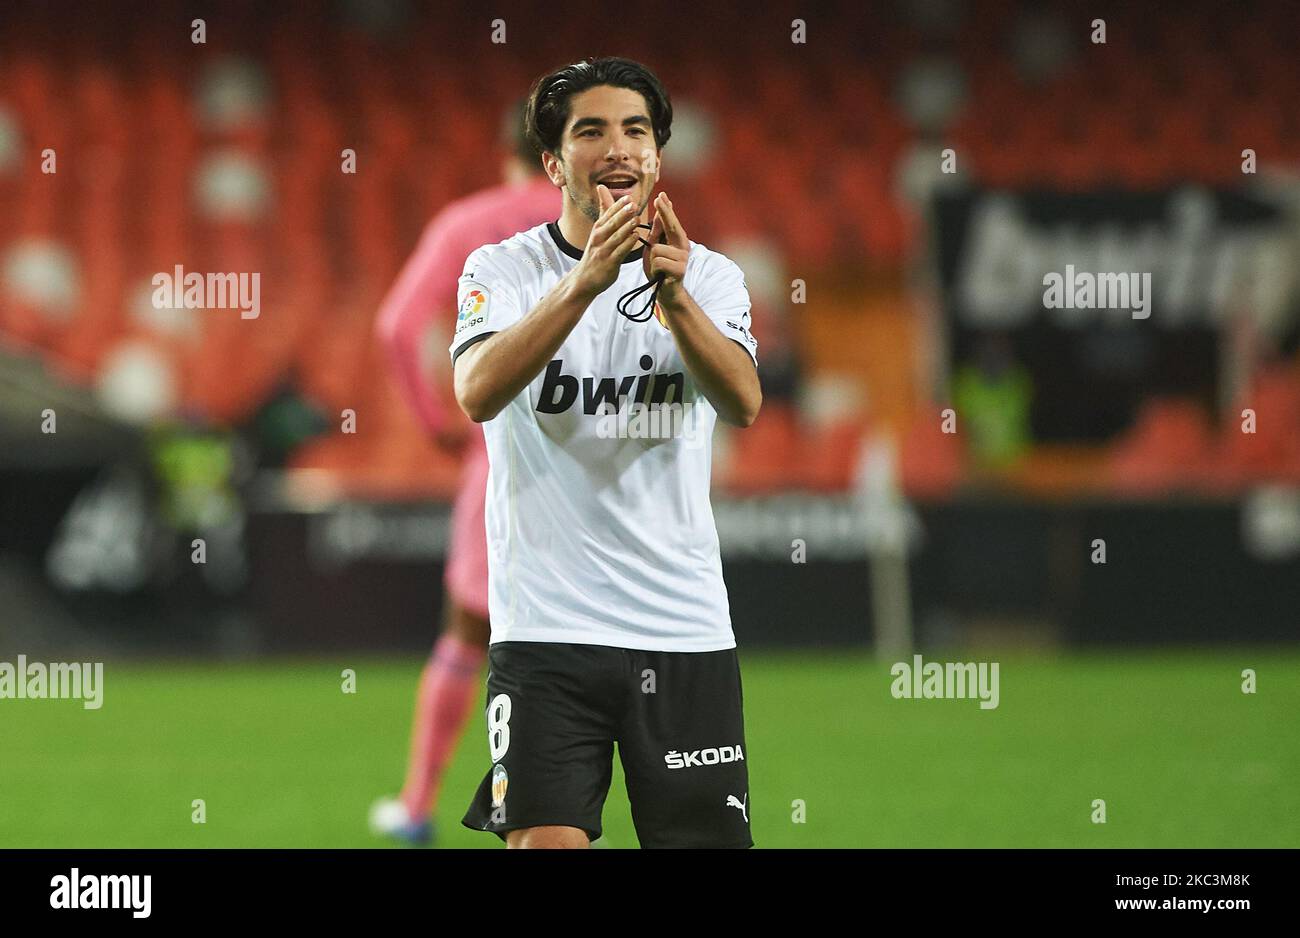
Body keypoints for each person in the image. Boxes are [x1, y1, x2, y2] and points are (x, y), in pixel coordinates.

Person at [452, 57, 762, 848]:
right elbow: (478, 390)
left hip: (683, 626)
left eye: (635, 130)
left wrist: (676, 297)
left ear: (657, 155)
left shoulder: (713, 279)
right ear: (554, 163)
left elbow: (744, 402)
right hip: (546, 629)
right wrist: (584, 283)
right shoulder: (502, 270)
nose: (617, 147)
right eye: (591, 130)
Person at [369, 102, 559, 846]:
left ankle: (417, 807)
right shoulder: (613, 225)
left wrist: (435, 421)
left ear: (506, 151)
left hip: (501, 454)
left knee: (471, 629)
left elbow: (395, 325)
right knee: (605, 639)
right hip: (599, 461)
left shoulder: (469, 222)